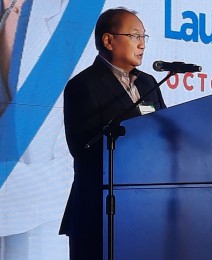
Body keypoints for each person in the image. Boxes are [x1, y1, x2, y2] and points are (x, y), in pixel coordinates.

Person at [59, 7, 166, 259]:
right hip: (98, 209)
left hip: (145, 209)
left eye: (144, 37)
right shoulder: (83, 85)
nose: (142, 44)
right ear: (108, 40)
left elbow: (164, 130)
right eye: (135, 36)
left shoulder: (148, 82)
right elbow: (83, 149)